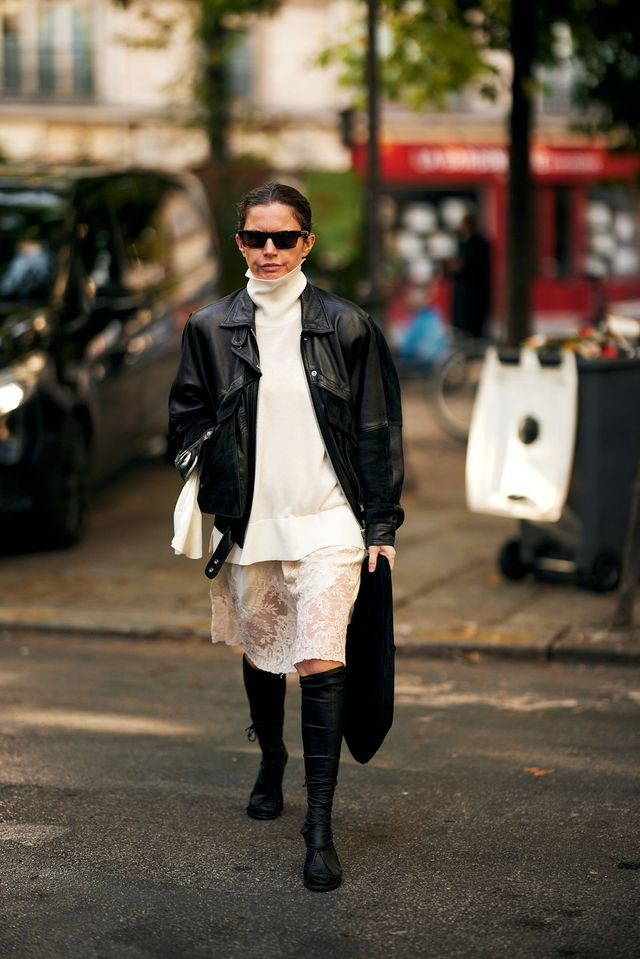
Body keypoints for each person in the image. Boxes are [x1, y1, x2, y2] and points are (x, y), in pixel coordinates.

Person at [168, 182, 404, 893]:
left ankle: (319, 826)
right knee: (264, 654)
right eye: (255, 237)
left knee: (322, 662)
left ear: (307, 243)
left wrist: (382, 523)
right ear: (239, 242)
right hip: (253, 520)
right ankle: (272, 757)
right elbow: (184, 419)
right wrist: (214, 456)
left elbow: (376, 428)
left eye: (284, 237)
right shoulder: (210, 327)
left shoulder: (347, 325)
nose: (269, 250)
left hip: (330, 520)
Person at [450, 211, 491, 340]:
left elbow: (472, 265)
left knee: (474, 323)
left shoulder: (478, 243)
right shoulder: (463, 243)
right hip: (465, 292)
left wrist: (460, 267)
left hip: (475, 292)